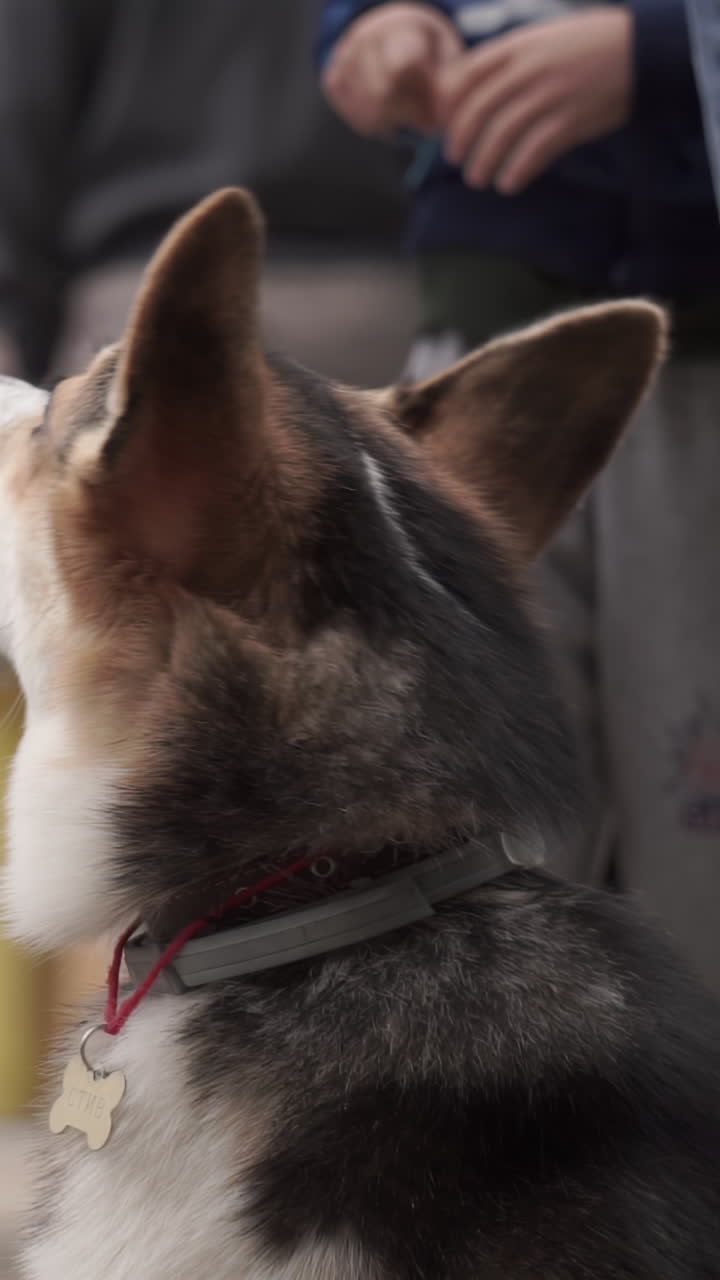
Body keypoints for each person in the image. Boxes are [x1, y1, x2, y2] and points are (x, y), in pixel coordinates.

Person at [319, 0, 720, 995]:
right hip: (482, 343)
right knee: (483, 832)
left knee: (696, 846)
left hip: (697, 343)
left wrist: (657, 52)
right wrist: (377, 31)